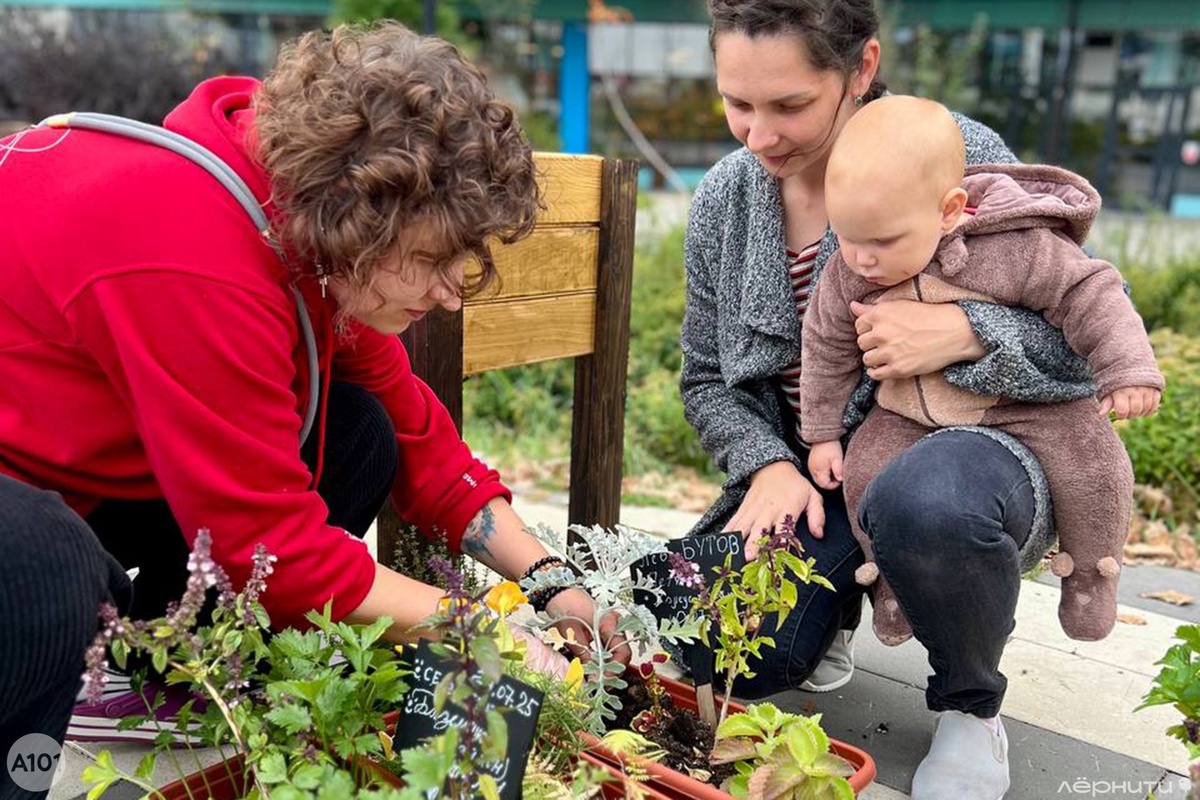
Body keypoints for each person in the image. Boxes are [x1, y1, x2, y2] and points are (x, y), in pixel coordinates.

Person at [0, 21, 619, 786]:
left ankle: (167, 667)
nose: (452, 294)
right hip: (24, 493)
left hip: (87, 444)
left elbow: (417, 433)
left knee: (357, 430)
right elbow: (272, 546)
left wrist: (550, 580)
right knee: (47, 566)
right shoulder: (198, 257)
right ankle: (86, 666)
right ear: (358, 221)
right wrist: (479, 630)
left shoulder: (297, 222)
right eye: (431, 260)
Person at [682, 2, 1103, 798]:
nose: (757, 135)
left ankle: (971, 704)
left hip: (966, 443)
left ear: (861, 68)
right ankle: (833, 599)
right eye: (737, 103)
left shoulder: (962, 158)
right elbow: (707, 377)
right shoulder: (724, 201)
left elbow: (1084, 343)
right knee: (719, 647)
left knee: (930, 505)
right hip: (817, 466)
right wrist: (769, 462)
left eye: (790, 105)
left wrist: (967, 333)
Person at [800, 95, 1163, 647]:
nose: (861, 259)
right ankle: (892, 585)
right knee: (866, 471)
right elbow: (825, 345)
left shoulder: (1015, 246)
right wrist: (823, 432)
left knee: (1093, 464)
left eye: (881, 241)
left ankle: (1092, 574)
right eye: (846, 237)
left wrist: (1126, 368)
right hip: (907, 412)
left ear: (949, 210)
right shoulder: (849, 270)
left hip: (1024, 410)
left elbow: (1089, 294)